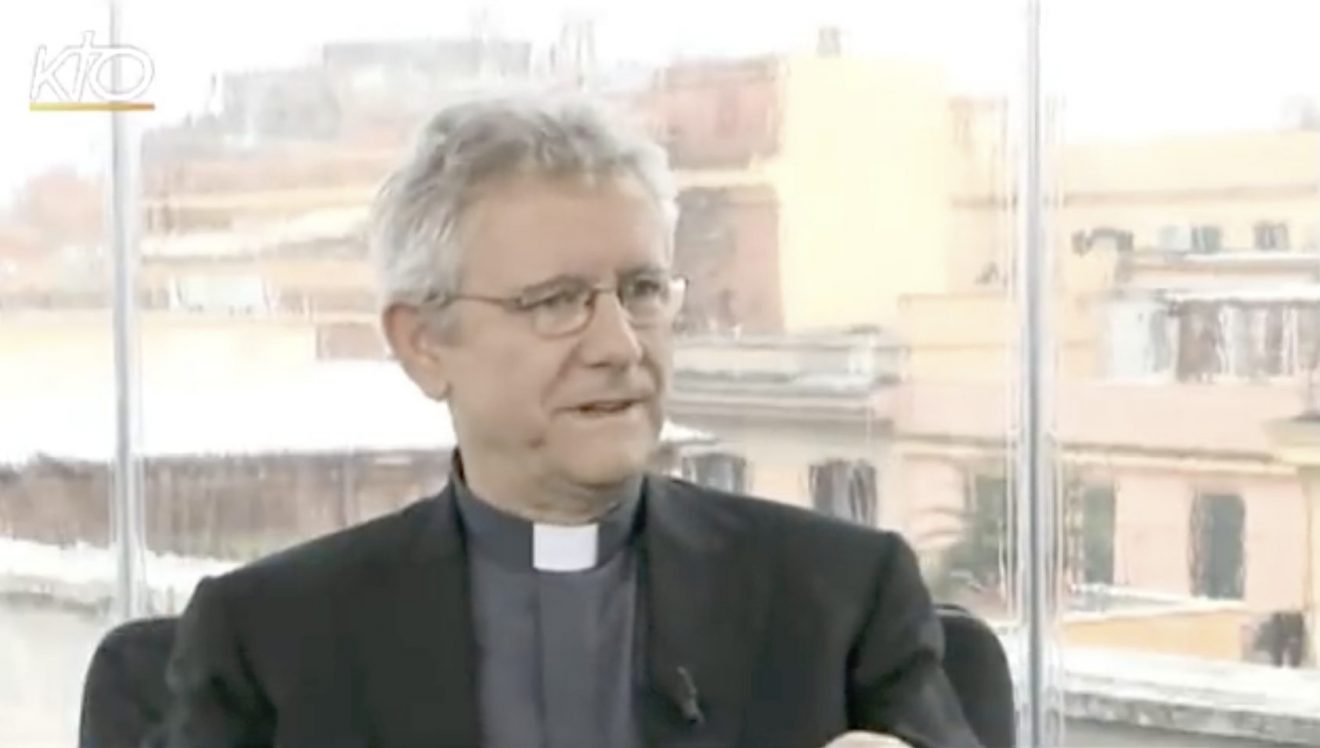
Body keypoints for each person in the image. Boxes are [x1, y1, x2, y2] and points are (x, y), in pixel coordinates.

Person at [163, 94, 981, 748]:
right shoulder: (269, 637)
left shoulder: (842, 599)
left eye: (643, 291)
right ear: (423, 343)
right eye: (555, 302)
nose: (619, 344)